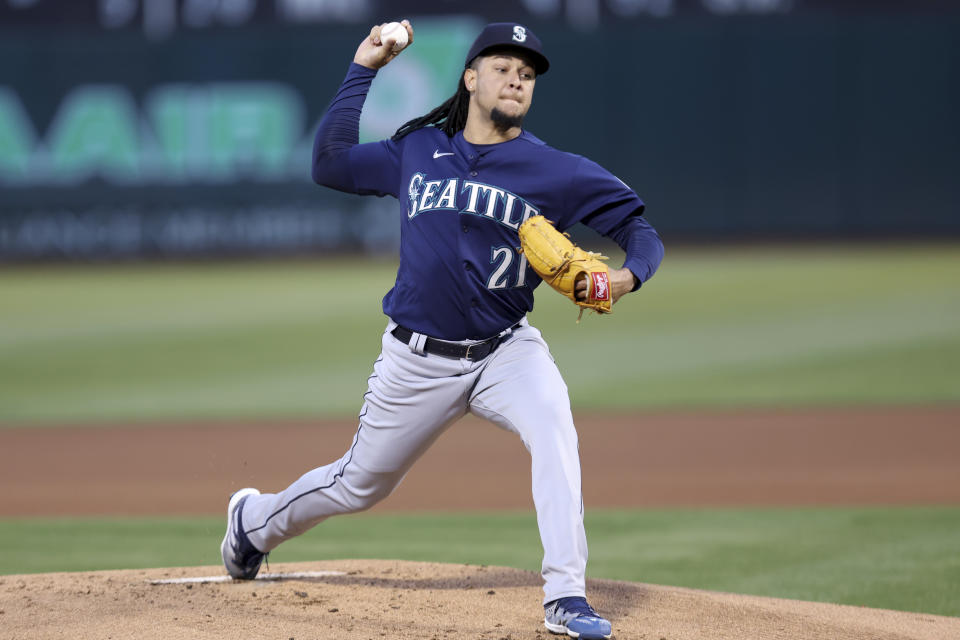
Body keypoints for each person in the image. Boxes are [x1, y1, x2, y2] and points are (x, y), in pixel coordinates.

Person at [221, 20, 664, 640]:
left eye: (528, 73)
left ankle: (566, 596)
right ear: (470, 77)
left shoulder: (556, 171)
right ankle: (253, 524)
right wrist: (363, 68)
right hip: (416, 360)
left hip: (507, 351)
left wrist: (629, 277)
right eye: (504, 65)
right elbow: (328, 164)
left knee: (555, 430)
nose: (518, 77)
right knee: (359, 485)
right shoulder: (418, 150)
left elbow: (640, 230)